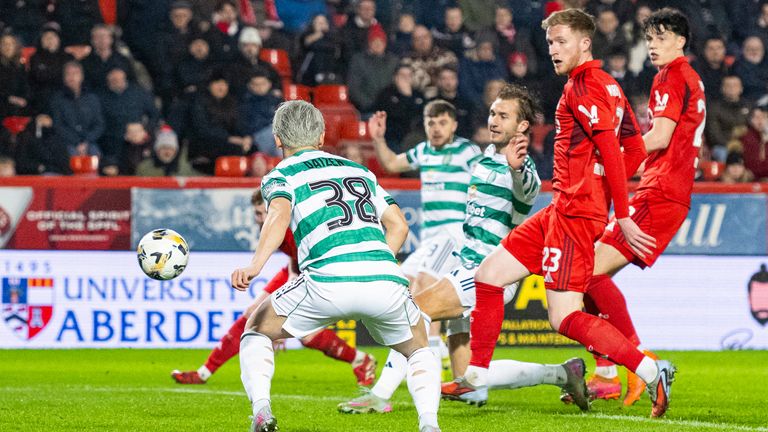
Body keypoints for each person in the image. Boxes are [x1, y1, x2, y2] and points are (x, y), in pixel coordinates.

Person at [446, 9, 676, 419]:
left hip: (576, 215)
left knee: (564, 315)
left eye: (562, 41)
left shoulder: (585, 88)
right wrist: (604, 180)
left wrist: (619, 211)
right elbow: (635, 146)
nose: (553, 49)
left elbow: (610, 147)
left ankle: (648, 368)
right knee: (489, 275)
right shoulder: (609, 86)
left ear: (585, 42)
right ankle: (476, 374)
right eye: (550, 42)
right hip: (561, 208)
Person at [338, 83, 591, 415]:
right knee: (470, 377)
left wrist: (517, 169)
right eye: (492, 113)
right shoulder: (486, 156)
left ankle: (380, 394)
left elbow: (526, 192)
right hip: (466, 264)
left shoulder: (520, 165)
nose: (494, 120)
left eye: (504, 115)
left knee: (414, 309)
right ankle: (563, 373)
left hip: (490, 271)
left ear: (523, 126)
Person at [231, 100, 441, 432]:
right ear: (321, 136)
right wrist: (371, 264)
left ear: (278, 139)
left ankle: (261, 411)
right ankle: (429, 423)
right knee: (417, 347)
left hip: (326, 279)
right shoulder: (359, 170)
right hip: (384, 278)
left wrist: (256, 264)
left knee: (258, 329)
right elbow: (399, 225)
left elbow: (279, 215)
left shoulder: (282, 173)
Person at [558, 8, 705, 409]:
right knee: (585, 273)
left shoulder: (673, 76)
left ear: (680, 40)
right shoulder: (683, 77)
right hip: (661, 191)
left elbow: (658, 137)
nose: (653, 45)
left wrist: (610, 157)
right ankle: (608, 373)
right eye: (649, 38)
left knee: (584, 272)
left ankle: (640, 364)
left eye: (661, 37)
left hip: (659, 193)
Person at [171, 186, 377, 386]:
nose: (259, 218)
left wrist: (280, 314)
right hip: (295, 269)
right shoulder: (275, 228)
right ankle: (203, 373)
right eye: (256, 213)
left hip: (324, 273)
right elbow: (296, 260)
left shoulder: (293, 227)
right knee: (252, 313)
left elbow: (310, 263)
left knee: (306, 335)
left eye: (262, 213)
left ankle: (361, 360)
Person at [371, 100, 481, 363]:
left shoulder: (467, 150)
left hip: (454, 235)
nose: (436, 128)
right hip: (430, 238)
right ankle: (424, 346)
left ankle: (430, 348)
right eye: (431, 122)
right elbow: (392, 164)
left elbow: (487, 176)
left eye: (442, 122)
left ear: (454, 125)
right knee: (404, 285)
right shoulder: (424, 151)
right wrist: (378, 139)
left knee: (424, 281)